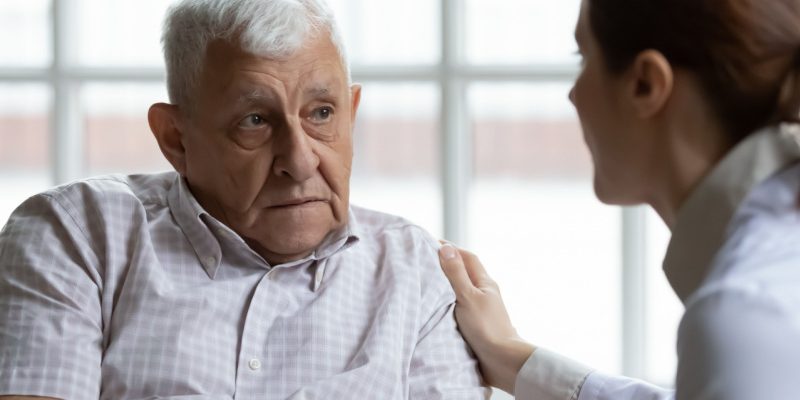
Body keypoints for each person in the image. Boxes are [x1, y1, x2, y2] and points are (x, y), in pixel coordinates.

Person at [0, 1, 489, 399]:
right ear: (175, 139)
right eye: (254, 120)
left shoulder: (417, 274)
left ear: (351, 113)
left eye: (321, 113)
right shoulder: (77, 238)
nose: (299, 161)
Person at [438, 0, 800, 399]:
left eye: (583, 57)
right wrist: (508, 355)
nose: (573, 96)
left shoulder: (743, 313)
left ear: (645, 83)